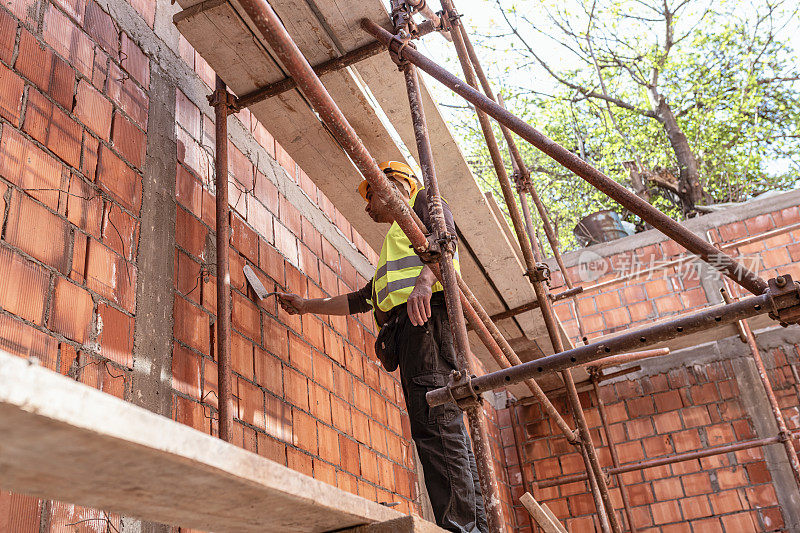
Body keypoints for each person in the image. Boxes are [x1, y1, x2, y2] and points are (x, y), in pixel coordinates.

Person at [277, 161, 488, 533]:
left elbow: (446, 241)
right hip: (412, 332)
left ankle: (461, 528)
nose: (367, 205)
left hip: (425, 324)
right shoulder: (395, 244)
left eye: (371, 193)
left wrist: (425, 282)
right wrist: (308, 305)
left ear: (396, 186)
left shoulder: (424, 201)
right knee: (442, 424)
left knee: (436, 425)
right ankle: (476, 527)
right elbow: (363, 299)